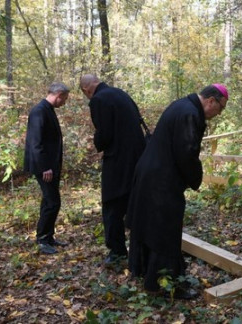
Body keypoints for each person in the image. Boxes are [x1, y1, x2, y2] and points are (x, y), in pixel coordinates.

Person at [126, 84, 228, 299]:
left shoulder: (182, 105)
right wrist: (195, 178)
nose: (218, 114)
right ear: (211, 100)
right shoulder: (190, 114)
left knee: (150, 224)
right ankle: (163, 285)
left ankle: (146, 272)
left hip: (151, 173)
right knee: (164, 230)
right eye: (220, 108)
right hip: (161, 180)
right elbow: (186, 154)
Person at [79, 74, 146, 266]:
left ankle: (117, 252)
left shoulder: (99, 100)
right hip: (138, 158)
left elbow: (105, 134)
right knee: (134, 204)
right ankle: (138, 250)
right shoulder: (120, 93)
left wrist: (96, 142)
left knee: (112, 206)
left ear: (86, 90)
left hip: (118, 162)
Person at [24, 82, 70, 255]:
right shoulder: (39, 111)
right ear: (58, 94)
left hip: (50, 166)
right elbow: (35, 143)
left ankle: (48, 237)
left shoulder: (47, 110)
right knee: (53, 202)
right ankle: (43, 239)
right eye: (64, 99)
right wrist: (45, 168)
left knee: (49, 200)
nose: (64, 102)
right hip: (44, 167)